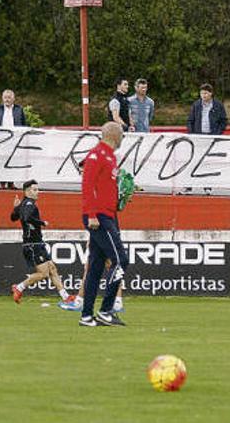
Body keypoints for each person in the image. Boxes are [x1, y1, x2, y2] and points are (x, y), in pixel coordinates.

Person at [78, 122, 128, 327]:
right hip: (98, 217)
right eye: (122, 134)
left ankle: (87, 316)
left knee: (96, 267)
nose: (123, 138)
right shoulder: (96, 155)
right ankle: (106, 310)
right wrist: (91, 215)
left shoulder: (111, 156)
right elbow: (87, 185)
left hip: (108, 215)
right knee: (120, 260)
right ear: (114, 134)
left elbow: (105, 187)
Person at [9, 180, 75, 305]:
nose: (37, 192)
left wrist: (15, 208)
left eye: (37, 189)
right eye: (34, 189)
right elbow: (27, 218)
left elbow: (13, 218)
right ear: (27, 191)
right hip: (33, 244)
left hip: (36, 242)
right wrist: (42, 222)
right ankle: (19, 287)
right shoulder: (29, 203)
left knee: (52, 269)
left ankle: (65, 297)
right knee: (43, 273)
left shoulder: (23, 203)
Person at [0, 89, 27, 189]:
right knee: (1, 161)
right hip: (1, 140)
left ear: (13, 99)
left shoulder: (19, 109)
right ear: (2, 98)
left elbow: (24, 124)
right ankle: (2, 183)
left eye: (9, 97)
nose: (7, 100)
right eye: (5, 97)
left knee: (13, 161)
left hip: (15, 140)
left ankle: (11, 183)